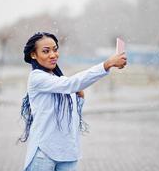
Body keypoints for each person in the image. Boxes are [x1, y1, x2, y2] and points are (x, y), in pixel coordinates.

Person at [20, 32, 127, 171]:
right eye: (46, 51)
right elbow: (71, 84)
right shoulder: (37, 77)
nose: (53, 55)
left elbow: (72, 104)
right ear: (33, 55)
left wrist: (79, 97)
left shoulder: (56, 78)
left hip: (68, 152)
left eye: (55, 49)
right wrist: (107, 64)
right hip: (44, 153)